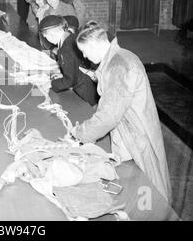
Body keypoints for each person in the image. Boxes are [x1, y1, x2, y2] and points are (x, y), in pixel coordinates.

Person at [71, 20, 172, 201]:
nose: (84, 56)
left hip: (137, 132)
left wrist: (79, 133)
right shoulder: (120, 56)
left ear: (94, 44)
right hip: (128, 127)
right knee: (132, 182)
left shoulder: (118, 66)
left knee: (149, 186)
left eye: (84, 51)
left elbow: (108, 116)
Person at [38, 15, 99, 106]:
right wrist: (64, 74)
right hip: (88, 82)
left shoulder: (65, 49)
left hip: (84, 91)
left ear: (51, 34)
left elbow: (70, 80)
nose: (47, 39)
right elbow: (75, 65)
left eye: (46, 36)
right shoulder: (71, 37)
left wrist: (51, 84)